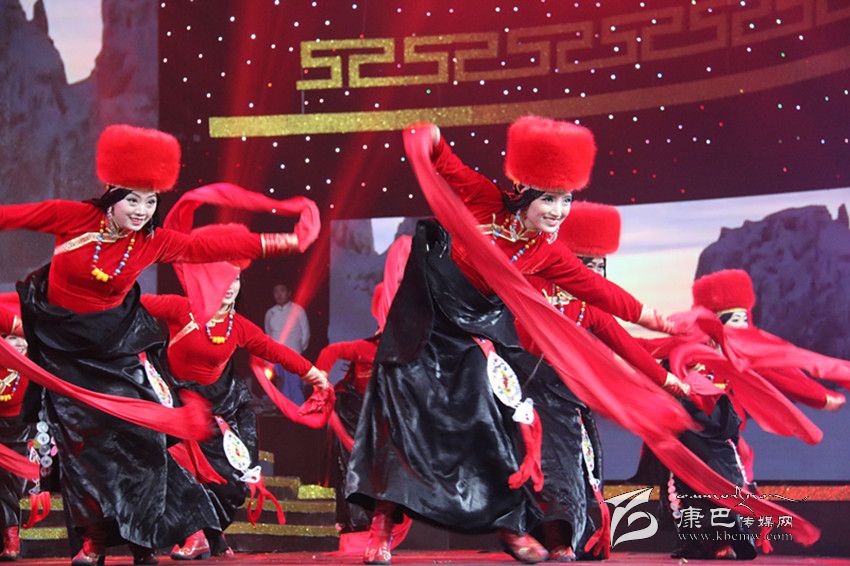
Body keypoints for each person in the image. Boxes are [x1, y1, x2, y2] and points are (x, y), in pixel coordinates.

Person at [346, 117, 679, 565]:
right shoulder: (484, 198)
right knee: (405, 424)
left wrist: (652, 318)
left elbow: (598, 290)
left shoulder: (547, 252)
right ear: (524, 192)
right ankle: (381, 529)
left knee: (497, 418)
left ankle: (509, 527)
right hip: (427, 322)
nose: (559, 211)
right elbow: (445, 162)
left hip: (478, 333)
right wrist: (429, 136)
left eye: (566, 200)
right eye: (549, 199)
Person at [0, 124, 304, 566]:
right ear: (111, 192)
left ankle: (164, 537)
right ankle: (94, 542)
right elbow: (10, 216)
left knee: (142, 441)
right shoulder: (72, 218)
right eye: (133, 200)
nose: (142, 211)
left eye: (151, 201)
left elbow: (201, 248)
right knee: (84, 452)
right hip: (65, 355)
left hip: (116, 352)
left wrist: (274, 242)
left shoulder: (151, 241)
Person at [140, 183, 327, 560]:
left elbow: (274, 349)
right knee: (175, 466)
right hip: (174, 405)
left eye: (235, 280)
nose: (229, 288)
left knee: (231, 481)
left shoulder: (238, 326)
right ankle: (193, 535)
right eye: (221, 279)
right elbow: (132, 304)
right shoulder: (180, 309)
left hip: (220, 408)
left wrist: (313, 373)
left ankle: (212, 536)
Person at [520, 202, 689, 561]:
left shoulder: (590, 309)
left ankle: (568, 540)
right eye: (588, 265)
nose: (595, 275)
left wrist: (669, 380)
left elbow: (629, 348)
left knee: (581, 471)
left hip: (571, 404)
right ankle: (552, 539)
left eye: (600, 267)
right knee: (550, 468)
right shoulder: (532, 288)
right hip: (528, 394)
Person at [0, 307, 30, 562]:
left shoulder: (32, 360)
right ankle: (11, 536)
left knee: (9, 481)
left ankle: (12, 536)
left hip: (17, 424)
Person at [264, 283, 311, 404]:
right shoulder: (270, 313)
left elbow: (306, 334)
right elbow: (268, 333)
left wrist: (298, 350)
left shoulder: (298, 310)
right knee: (281, 386)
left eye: (282, 290)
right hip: (277, 357)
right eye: (276, 291)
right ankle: (282, 410)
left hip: (294, 355)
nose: (279, 294)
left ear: (289, 293)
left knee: (295, 386)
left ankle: (297, 410)